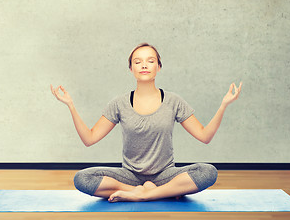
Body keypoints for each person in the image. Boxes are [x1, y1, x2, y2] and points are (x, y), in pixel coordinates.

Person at [51, 42, 242, 203]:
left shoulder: (174, 101)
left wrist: (224, 105)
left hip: (165, 175)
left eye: (150, 61)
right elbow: (89, 138)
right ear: (131, 68)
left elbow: (205, 136)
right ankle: (154, 191)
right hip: (129, 177)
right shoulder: (119, 104)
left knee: (207, 172)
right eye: (138, 61)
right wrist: (71, 105)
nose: (144, 65)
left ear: (158, 67)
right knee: (82, 178)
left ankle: (144, 195)